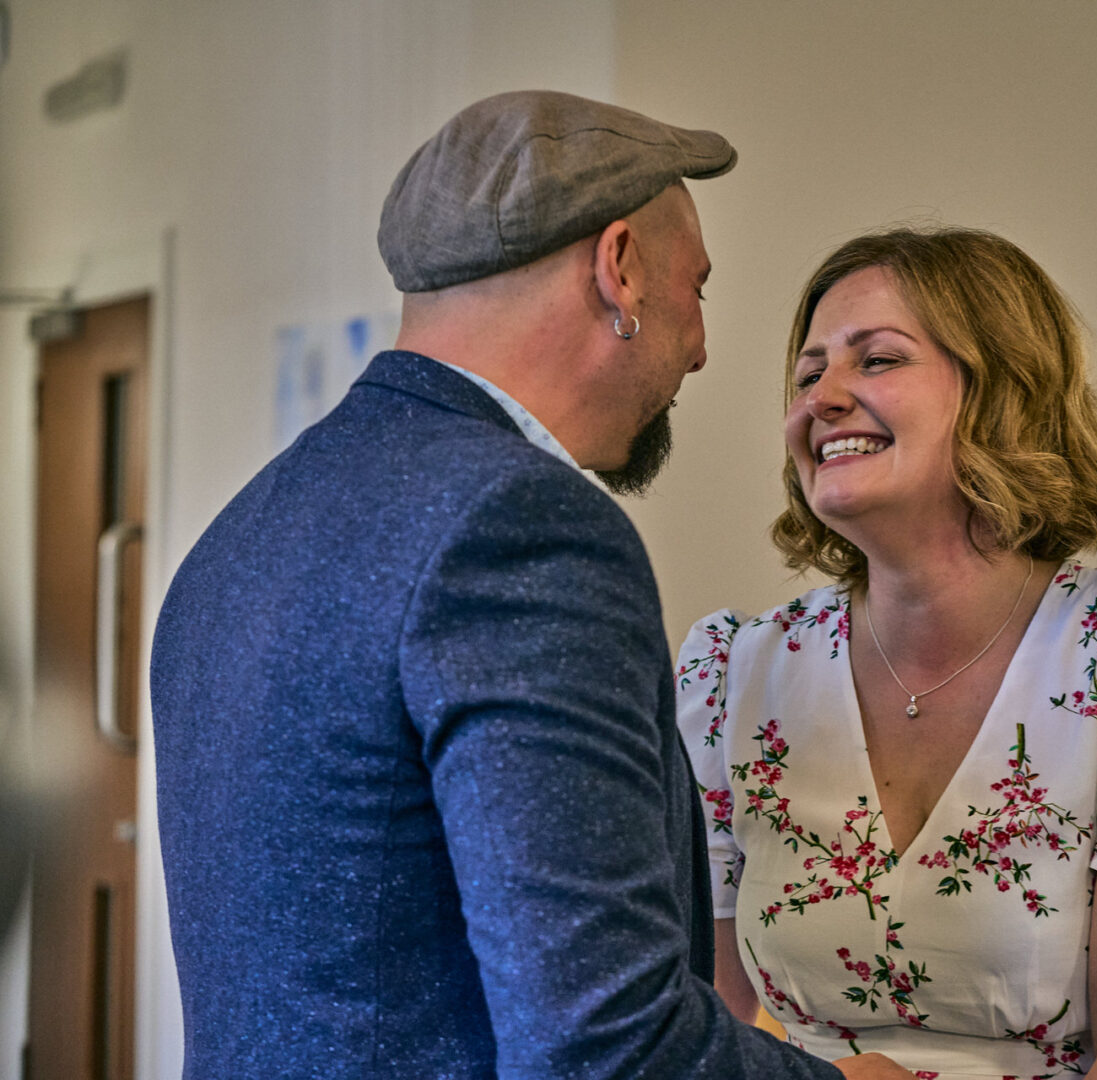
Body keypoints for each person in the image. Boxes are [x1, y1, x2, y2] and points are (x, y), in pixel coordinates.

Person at [151, 90, 909, 1079]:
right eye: (699, 291)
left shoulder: (241, 533)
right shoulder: (520, 527)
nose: (701, 347)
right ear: (621, 267)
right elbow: (605, 1046)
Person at [675, 227, 1097, 1080]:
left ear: (1003, 390)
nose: (823, 398)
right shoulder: (733, 672)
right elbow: (704, 1021)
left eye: (876, 361)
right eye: (808, 374)